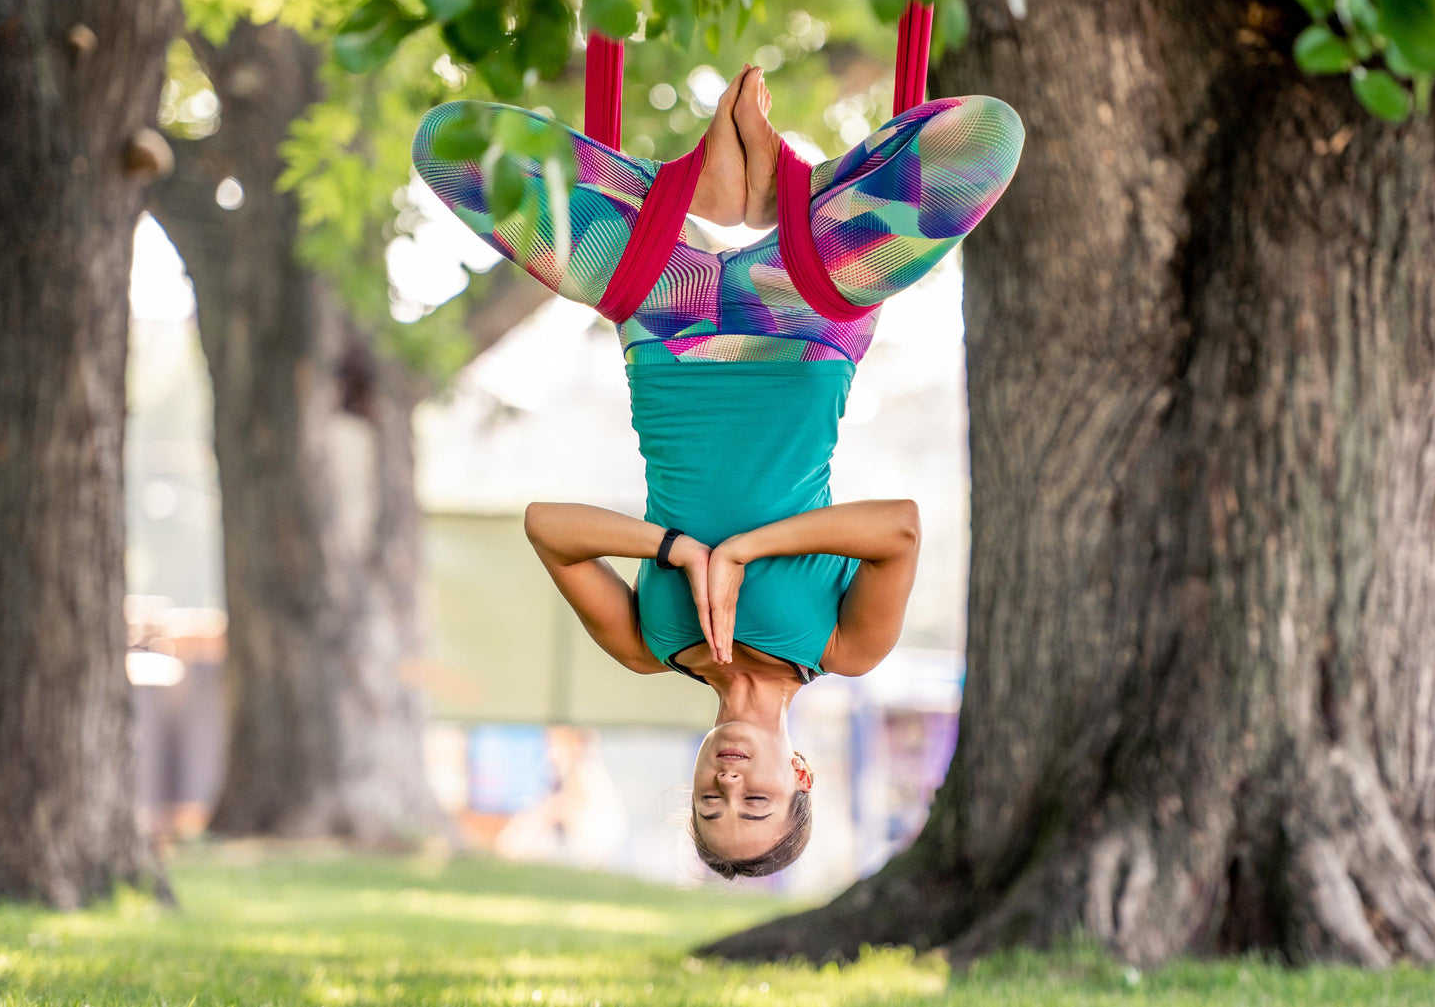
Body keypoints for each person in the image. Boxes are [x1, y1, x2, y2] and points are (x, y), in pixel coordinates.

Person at [413, 63, 1024, 877]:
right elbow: (897, 528)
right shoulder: (844, 646)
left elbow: (548, 528)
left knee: (450, 149)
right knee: (986, 141)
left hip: (663, 316)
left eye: (710, 801)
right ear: (798, 775)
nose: (729, 782)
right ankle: (781, 197)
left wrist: (679, 551)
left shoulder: (649, 643)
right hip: (803, 312)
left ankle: (704, 191)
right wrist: (743, 550)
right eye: (755, 801)